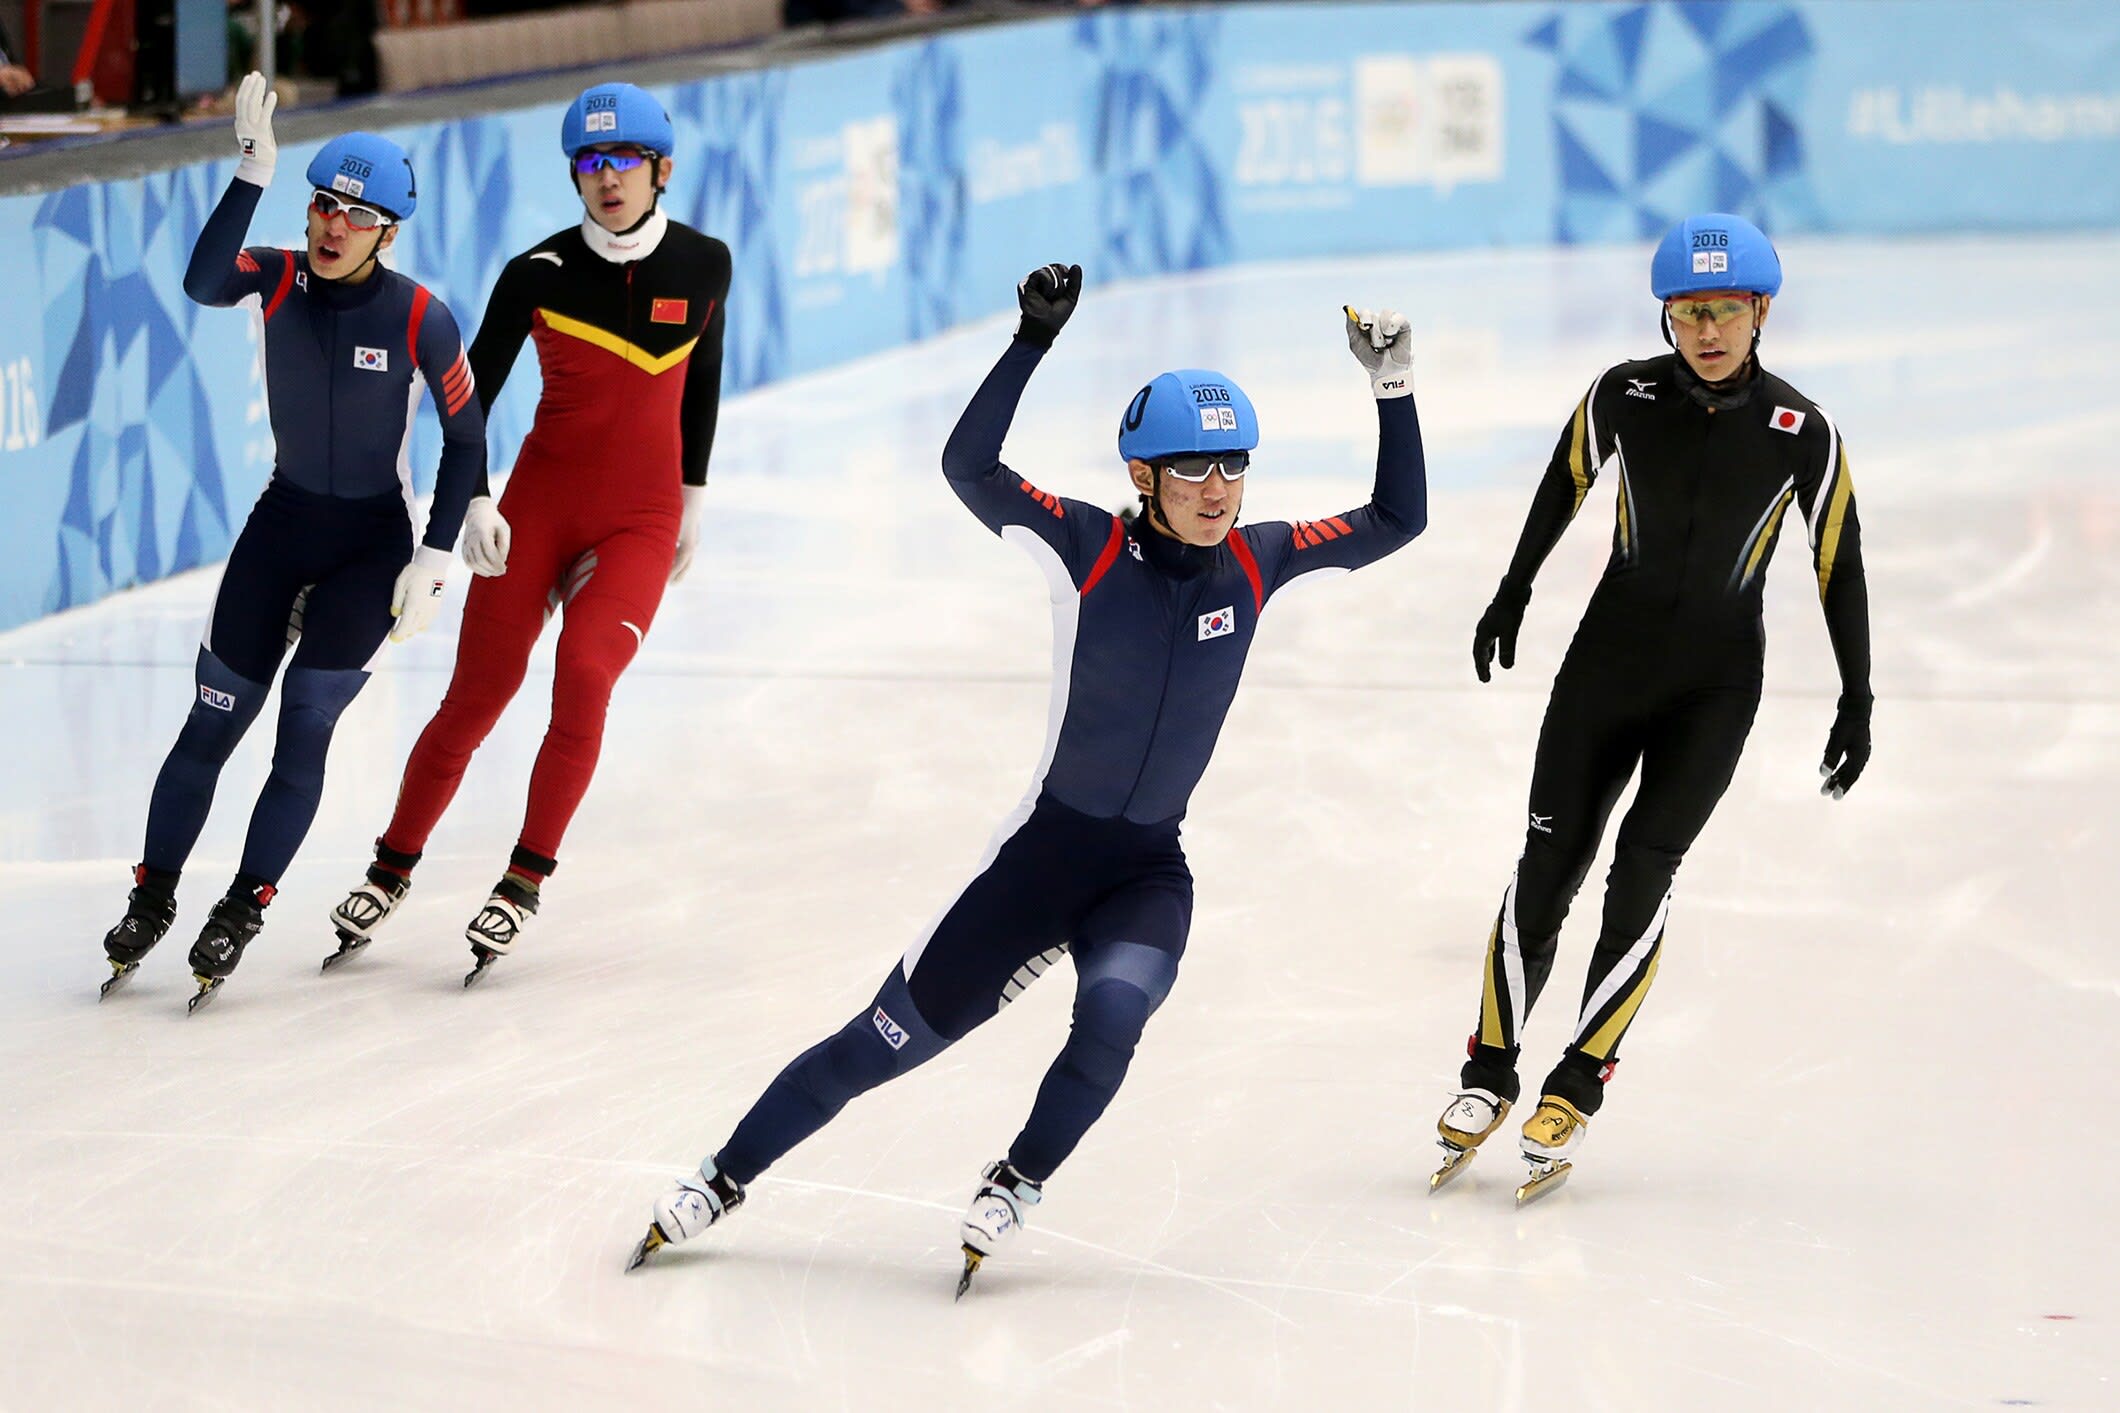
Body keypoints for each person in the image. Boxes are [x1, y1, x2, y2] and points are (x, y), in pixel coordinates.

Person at [625, 263, 1428, 1295]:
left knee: (1112, 1017)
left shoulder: (1260, 562)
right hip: (1035, 865)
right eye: (1190, 469)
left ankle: (1017, 1179)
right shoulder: (1086, 548)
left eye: (1232, 465)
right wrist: (1029, 340)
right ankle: (722, 1177)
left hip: (1144, 872)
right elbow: (970, 469)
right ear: (1142, 476)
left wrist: (1392, 385)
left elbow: (1395, 521)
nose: (1217, 489)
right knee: (872, 1051)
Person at [1428, 212, 1872, 1202]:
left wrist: (1857, 695)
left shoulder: (1801, 430)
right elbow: (1561, 483)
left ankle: (1576, 1080)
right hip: (1603, 669)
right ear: (1664, 316)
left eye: (1722, 311)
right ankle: (1487, 1070)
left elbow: (1835, 561)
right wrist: (1513, 588)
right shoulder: (1621, 395)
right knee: (1546, 866)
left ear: (1760, 311)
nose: (1704, 331)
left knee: (1639, 873)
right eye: (1684, 313)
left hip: (1712, 691)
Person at [324, 81, 730, 984]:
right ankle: (391, 867)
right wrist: (474, 500)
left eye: (623, 159)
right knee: (477, 694)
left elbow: (703, 374)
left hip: (640, 517)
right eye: (590, 163)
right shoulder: (536, 272)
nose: (606, 178)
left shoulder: (706, 264)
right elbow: (466, 405)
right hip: (538, 507)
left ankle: (523, 877)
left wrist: (693, 495)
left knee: (585, 673)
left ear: (661, 170)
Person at [99, 73, 486, 1011]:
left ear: (388, 232)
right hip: (283, 525)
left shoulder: (419, 315)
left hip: (368, 546)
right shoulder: (274, 275)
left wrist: (435, 554)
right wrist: (250, 174)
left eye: (355, 215)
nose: (331, 224)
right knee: (209, 726)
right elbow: (199, 283)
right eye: (321, 203)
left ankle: (243, 903)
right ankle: (152, 895)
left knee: (303, 726)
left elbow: (467, 439)